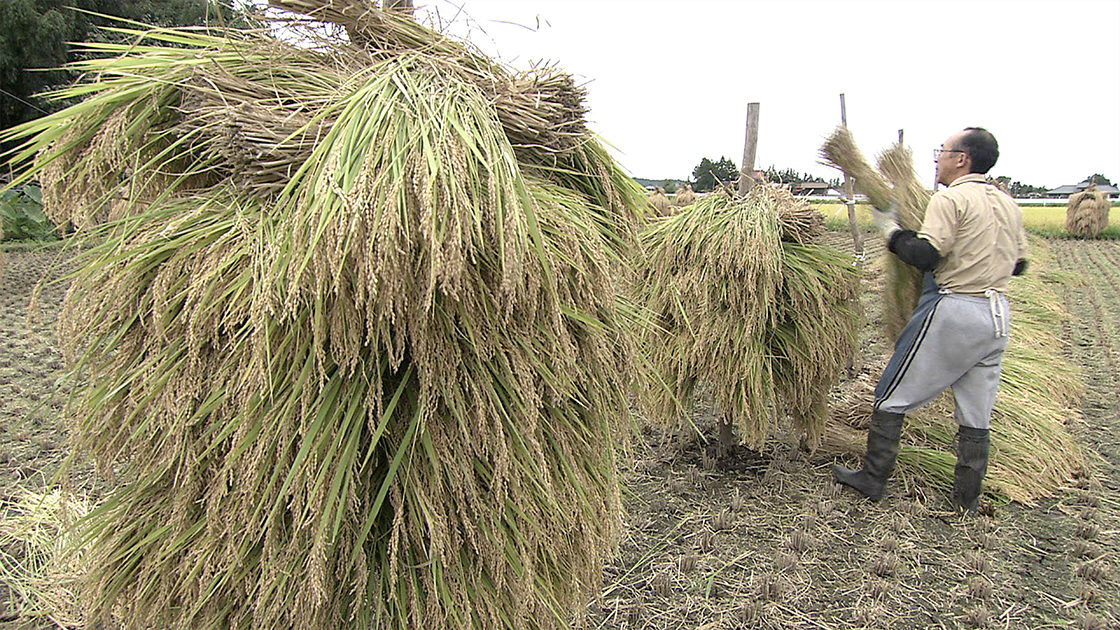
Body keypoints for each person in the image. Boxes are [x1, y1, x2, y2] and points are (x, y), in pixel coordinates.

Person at [832, 127, 1029, 513]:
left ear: (962, 159)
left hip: (956, 310)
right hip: (997, 317)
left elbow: (926, 255)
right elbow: (1019, 264)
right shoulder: (1008, 203)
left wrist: (891, 232)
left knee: (890, 394)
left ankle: (872, 479)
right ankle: (966, 500)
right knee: (976, 412)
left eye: (944, 151)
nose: (938, 158)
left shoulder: (951, 199)